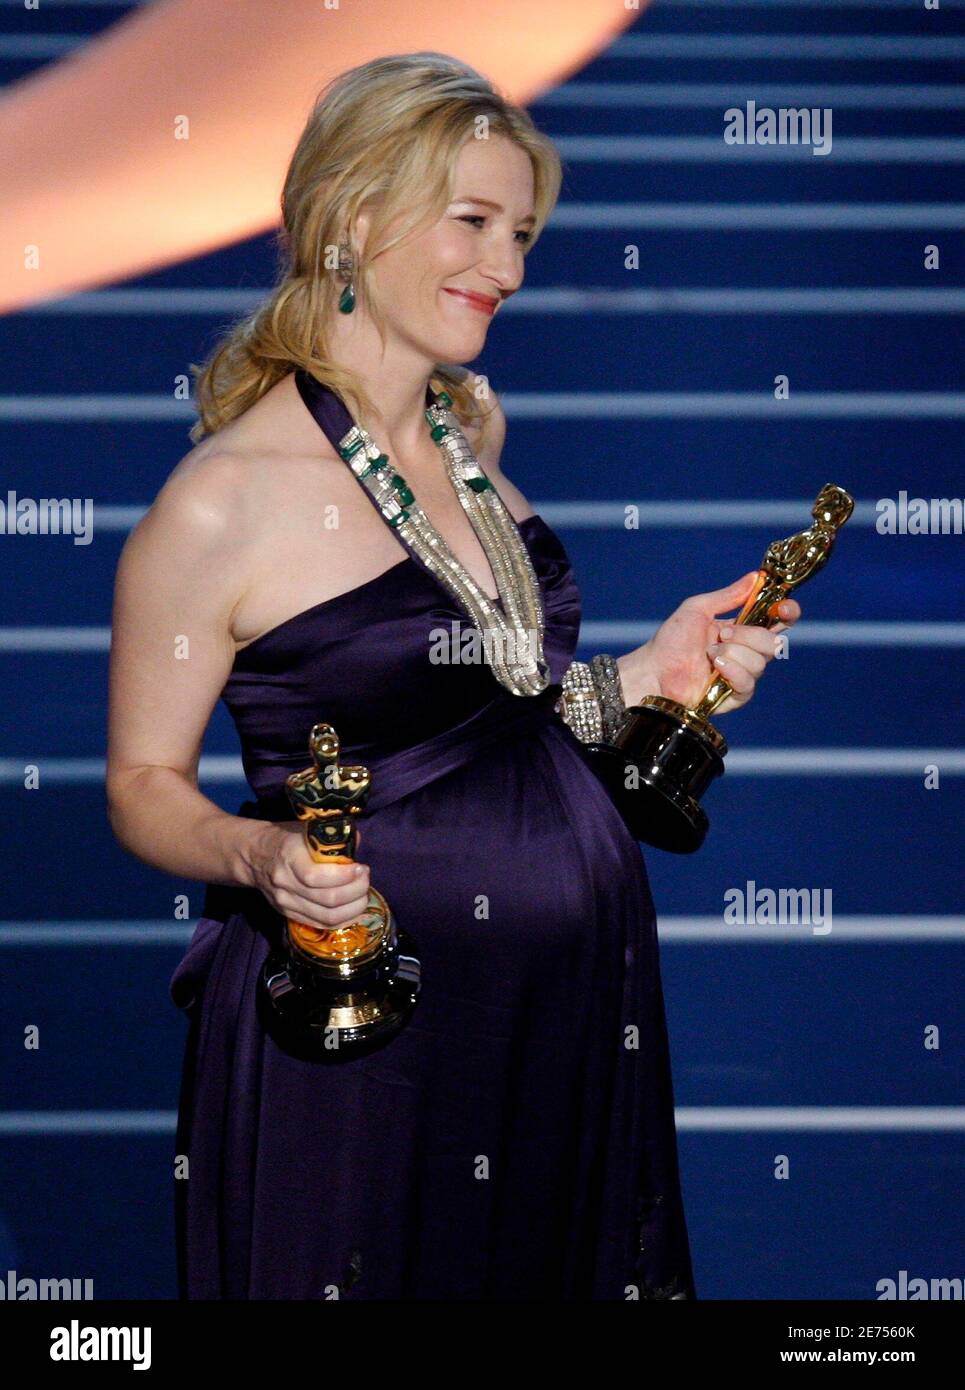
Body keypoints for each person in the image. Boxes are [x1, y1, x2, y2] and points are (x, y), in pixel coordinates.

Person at [106, 52, 800, 1301]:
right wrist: (261, 858)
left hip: (562, 1003)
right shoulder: (221, 503)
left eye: (522, 231)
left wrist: (653, 670)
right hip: (368, 1032)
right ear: (353, 213)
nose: (510, 269)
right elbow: (143, 783)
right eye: (473, 221)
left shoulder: (468, 434)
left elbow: (501, 714)